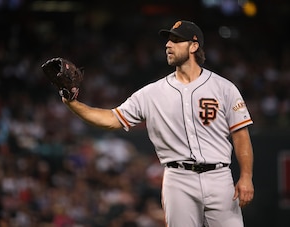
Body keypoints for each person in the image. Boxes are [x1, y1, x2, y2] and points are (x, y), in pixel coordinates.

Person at [60, 20, 254, 226]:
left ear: (194, 46)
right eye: (168, 40)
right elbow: (111, 120)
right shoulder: (152, 93)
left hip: (219, 176)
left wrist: (246, 177)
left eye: (176, 40)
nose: (168, 45)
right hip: (178, 179)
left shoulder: (224, 88)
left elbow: (241, 136)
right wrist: (73, 104)